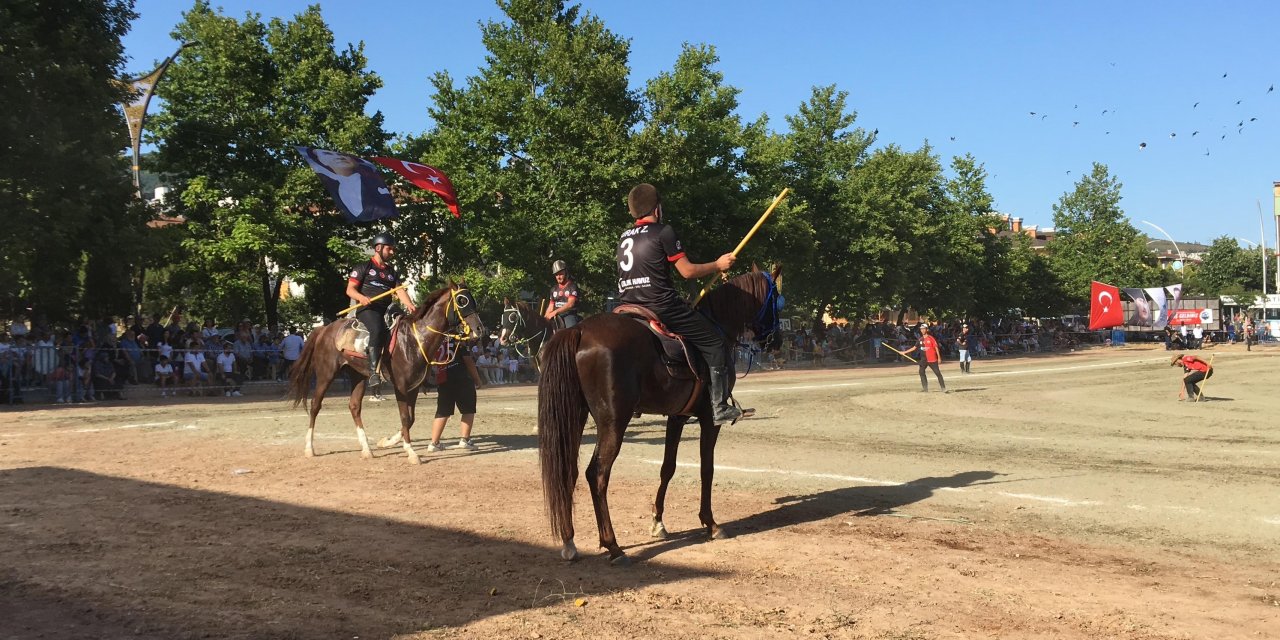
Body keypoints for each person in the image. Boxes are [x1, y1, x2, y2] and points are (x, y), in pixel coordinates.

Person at [616, 183, 741, 423]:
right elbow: (687, 271)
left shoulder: (623, 237)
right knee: (715, 342)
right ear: (657, 208)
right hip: (660, 305)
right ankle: (719, 407)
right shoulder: (663, 231)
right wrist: (718, 265)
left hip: (628, 306)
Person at [346, 233, 417, 387]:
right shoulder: (363, 267)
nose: (392, 252)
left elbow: (399, 290)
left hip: (388, 308)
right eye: (389, 249)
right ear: (378, 248)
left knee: (407, 327)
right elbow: (350, 290)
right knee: (377, 330)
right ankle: (373, 372)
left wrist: (410, 305)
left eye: (393, 250)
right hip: (368, 309)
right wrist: (362, 298)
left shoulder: (391, 272)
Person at [303, 148, 398, 222]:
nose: (340, 157)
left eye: (346, 156)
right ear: (322, 160)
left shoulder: (374, 182)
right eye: (327, 154)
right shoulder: (331, 187)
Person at [425, 337, 484, 452]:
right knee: (468, 409)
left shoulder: (437, 341)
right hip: (462, 378)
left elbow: (429, 361)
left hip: (444, 379)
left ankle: (434, 442)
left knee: (442, 412)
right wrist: (477, 379)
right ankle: (465, 439)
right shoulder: (458, 341)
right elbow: (468, 361)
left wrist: (426, 380)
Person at [544, 260, 582, 328]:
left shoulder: (572, 287)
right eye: (556, 275)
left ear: (566, 273)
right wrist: (545, 317)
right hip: (556, 316)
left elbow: (570, 304)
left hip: (569, 315)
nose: (558, 277)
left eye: (560, 274)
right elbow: (551, 306)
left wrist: (555, 312)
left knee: (570, 331)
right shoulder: (553, 289)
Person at [913, 323, 947, 393]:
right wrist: (904, 352)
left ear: (927, 329)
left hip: (932, 359)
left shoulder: (931, 338)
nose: (922, 330)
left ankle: (943, 388)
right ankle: (925, 388)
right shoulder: (920, 339)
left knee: (938, 373)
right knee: (921, 372)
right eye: (921, 329)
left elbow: (936, 348)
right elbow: (914, 348)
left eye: (923, 329)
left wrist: (939, 358)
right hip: (923, 360)